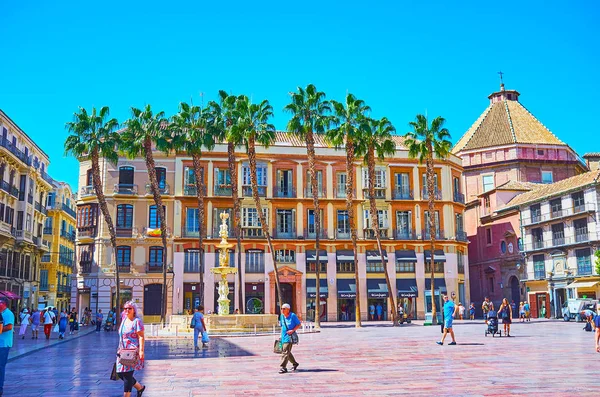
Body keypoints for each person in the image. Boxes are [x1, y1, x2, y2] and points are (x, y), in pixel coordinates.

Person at [116, 301, 146, 397]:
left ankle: (127, 395)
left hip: (132, 352)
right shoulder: (124, 320)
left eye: (129, 308)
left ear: (134, 310)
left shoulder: (137, 321)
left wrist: (141, 351)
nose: (127, 310)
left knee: (127, 375)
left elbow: (141, 336)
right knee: (120, 373)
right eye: (125, 308)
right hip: (122, 351)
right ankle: (140, 388)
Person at [279, 303, 301, 374]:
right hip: (283, 337)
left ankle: (283, 367)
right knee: (286, 351)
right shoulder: (282, 316)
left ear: (288, 309)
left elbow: (299, 324)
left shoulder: (292, 316)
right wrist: (280, 336)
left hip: (289, 337)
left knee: (285, 352)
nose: (282, 310)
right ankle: (295, 363)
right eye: (282, 308)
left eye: (284, 308)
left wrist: (293, 330)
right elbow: (282, 327)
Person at [0, 297, 14, 396]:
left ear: (3, 303)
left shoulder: (8, 314)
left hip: (4, 343)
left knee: (0, 366)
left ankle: (0, 388)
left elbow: (9, 326)